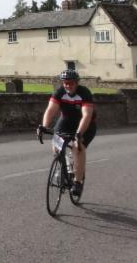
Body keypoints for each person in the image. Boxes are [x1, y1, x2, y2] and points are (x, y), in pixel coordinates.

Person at [38, 69, 96, 198]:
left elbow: (86, 115)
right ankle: (64, 170)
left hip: (86, 124)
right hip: (66, 122)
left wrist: (79, 134)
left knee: (77, 147)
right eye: (65, 83)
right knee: (56, 145)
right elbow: (50, 110)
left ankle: (78, 182)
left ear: (76, 83)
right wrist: (44, 126)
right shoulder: (59, 92)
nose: (68, 85)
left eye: (71, 83)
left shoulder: (84, 93)